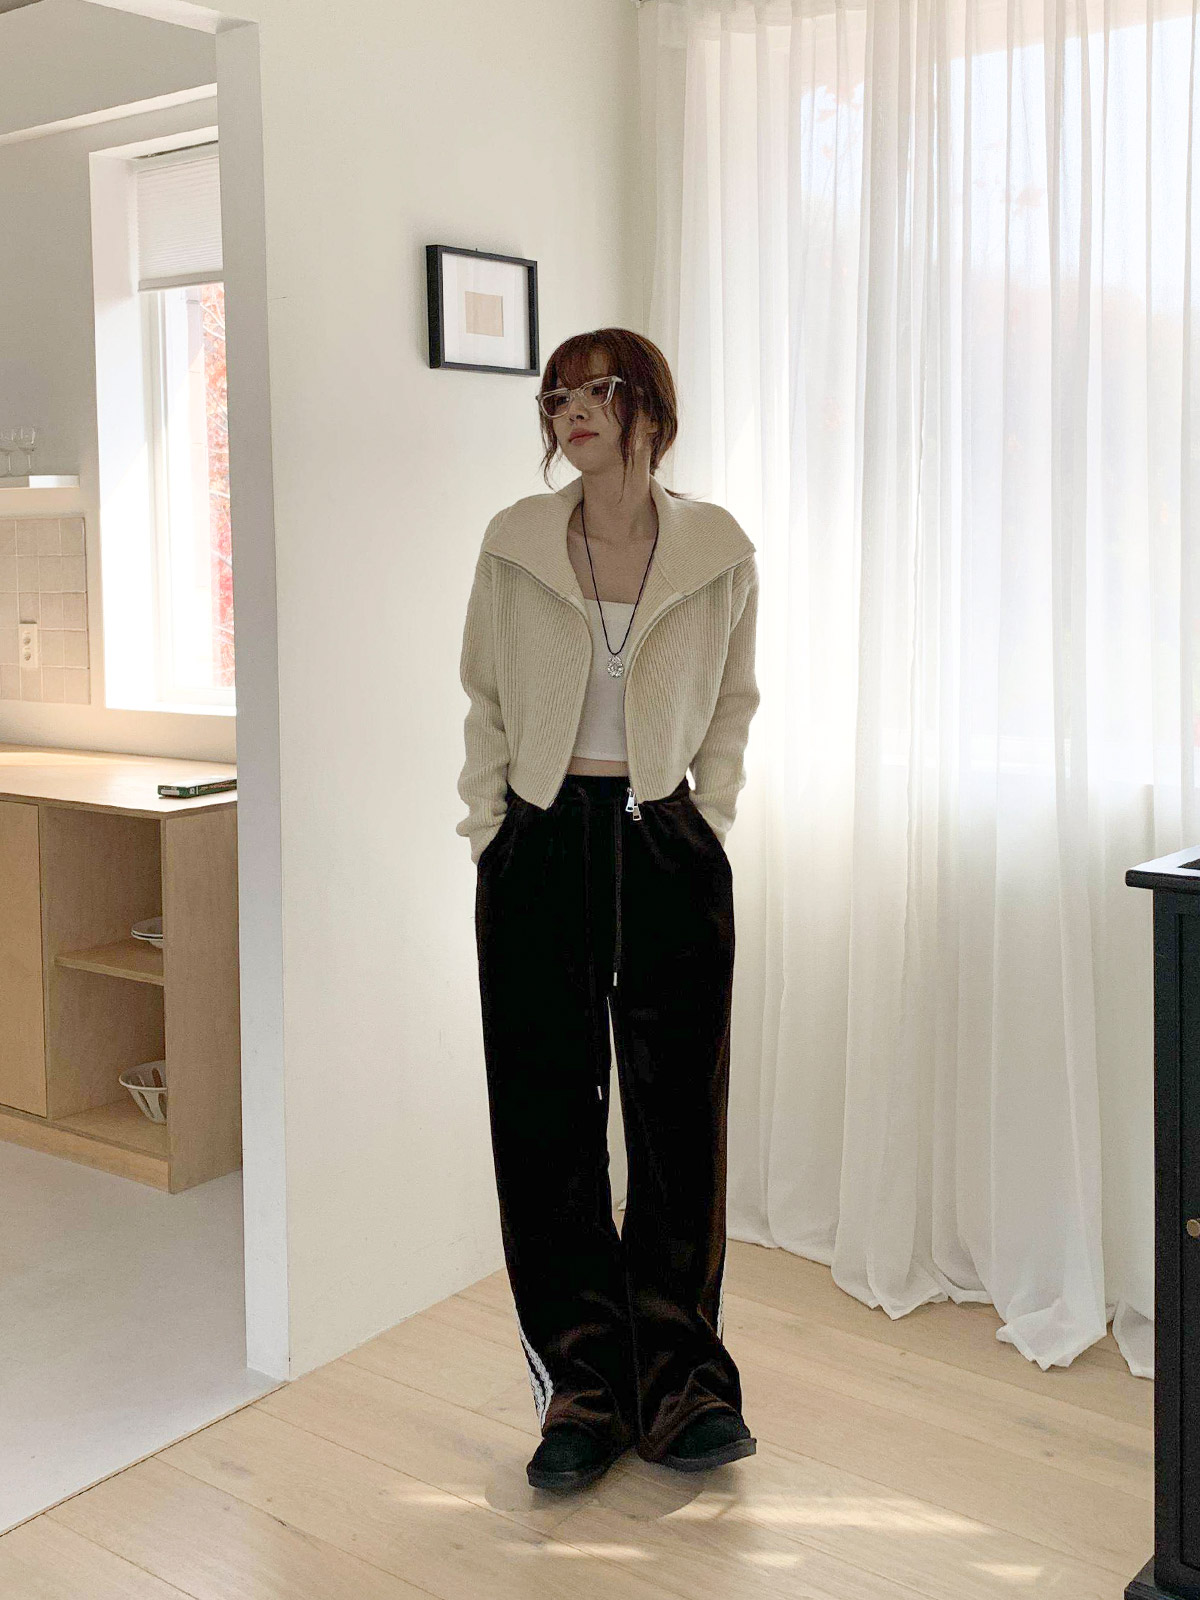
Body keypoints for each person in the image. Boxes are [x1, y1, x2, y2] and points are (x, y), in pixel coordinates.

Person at [456, 328, 761, 1492]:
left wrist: (706, 814)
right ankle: (582, 1388)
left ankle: (682, 1384)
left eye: (599, 390)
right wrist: (493, 827)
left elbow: (734, 699)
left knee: (679, 1121)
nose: (573, 410)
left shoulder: (718, 549)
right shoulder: (516, 542)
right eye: (559, 396)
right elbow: (484, 693)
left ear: (650, 411)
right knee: (546, 1121)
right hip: (541, 838)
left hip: (666, 840)